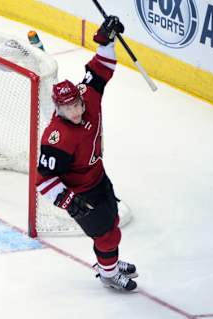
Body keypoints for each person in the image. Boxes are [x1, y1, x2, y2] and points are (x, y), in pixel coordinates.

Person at [36, 16, 138, 291]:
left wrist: (106, 38)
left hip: (98, 176)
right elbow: (43, 179)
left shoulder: (87, 97)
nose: (77, 110)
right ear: (58, 109)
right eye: (69, 108)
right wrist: (69, 200)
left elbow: (101, 68)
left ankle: (110, 264)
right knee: (106, 235)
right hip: (81, 192)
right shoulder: (56, 137)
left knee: (113, 221)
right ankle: (108, 274)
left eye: (77, 104)